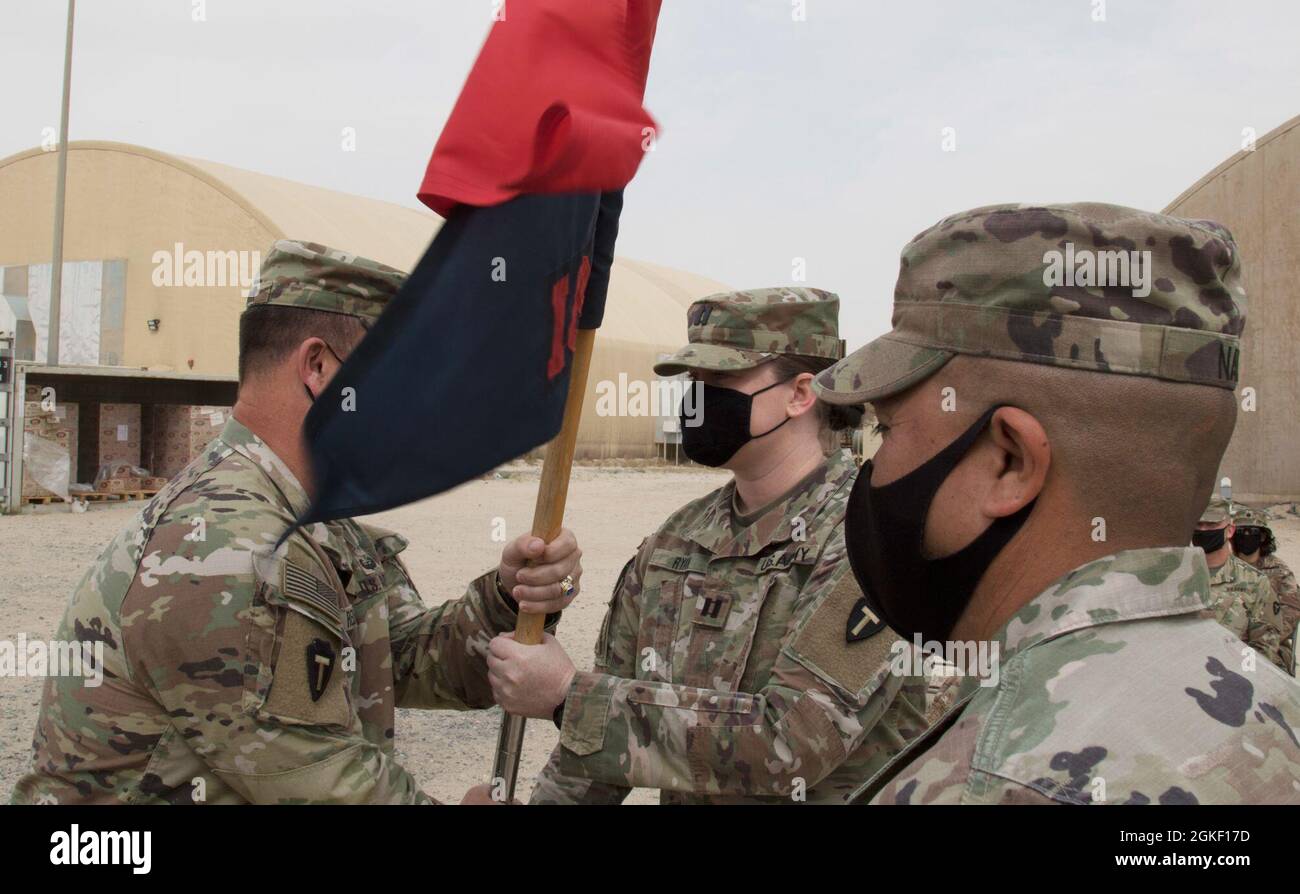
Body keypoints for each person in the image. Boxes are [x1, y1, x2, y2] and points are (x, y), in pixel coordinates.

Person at [11, 241, 583, 805]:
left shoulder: (313, 520)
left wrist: (509, 599)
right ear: (318, 368)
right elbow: (331, 786)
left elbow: (406, 660)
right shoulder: (231, 547)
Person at [812, 202, 1300, 805]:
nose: (875, 468)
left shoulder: (980, 784)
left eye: (887, 430)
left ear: (1010, 462)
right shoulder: (1278, 712)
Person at [486, 288, 927, 804]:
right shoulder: (678, 538)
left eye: (720, 379)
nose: (698, 398)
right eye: (693, 381)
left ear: (802, 393)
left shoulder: (871, 536)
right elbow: (596, 753)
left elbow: (792, 743)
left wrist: (567, 697)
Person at [1194, 495, 1286, 672]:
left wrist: (1237, 679)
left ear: (1230, 531)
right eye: (1199, 525)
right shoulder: (1177, 576)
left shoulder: (1255, 583)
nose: (1204, 530)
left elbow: (1263, 648)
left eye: (1212, 525)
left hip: (1232, 679)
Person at [1232, 504, 1300, 674]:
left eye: (1253, 532)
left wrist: (1258, 642)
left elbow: (1290, 614)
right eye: (1241, 532)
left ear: (1263, 537)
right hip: (1228, 642)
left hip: (1270, 648)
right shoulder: (1225, 568)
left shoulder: (1279, 572)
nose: (1246, 537)